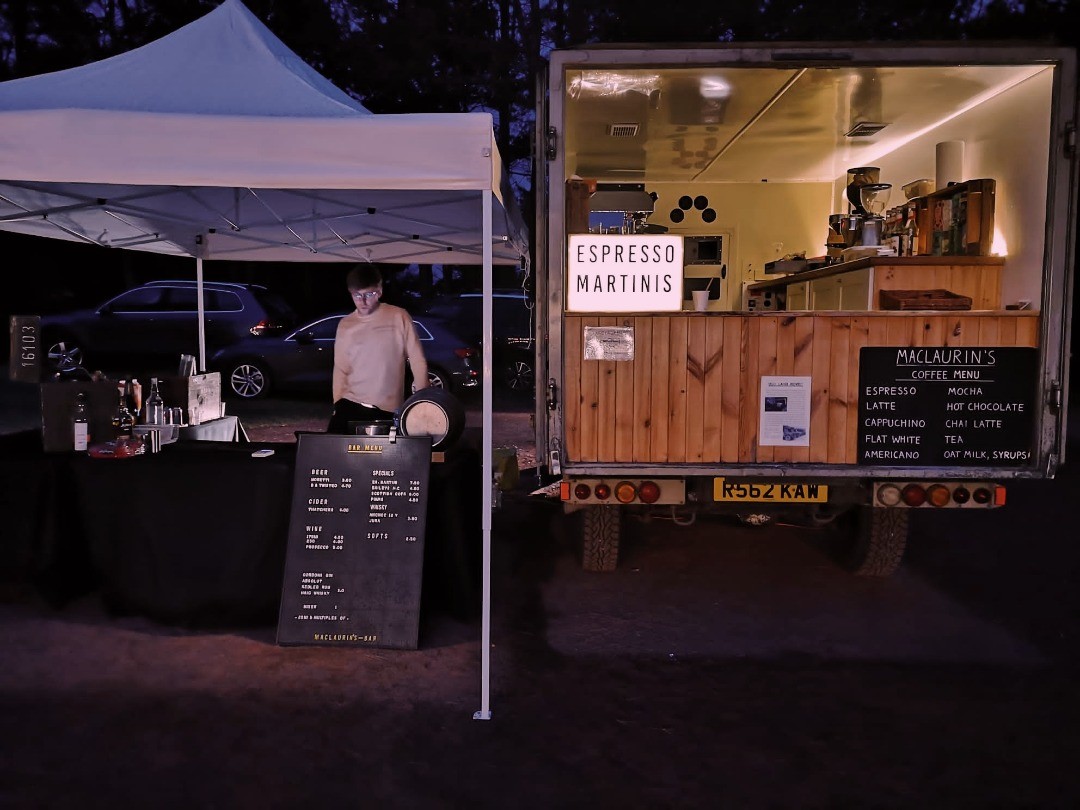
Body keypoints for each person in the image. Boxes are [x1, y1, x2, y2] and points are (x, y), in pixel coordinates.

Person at [327, 264, 428, 434]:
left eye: (369, 294)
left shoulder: (398, 316)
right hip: (350, 403)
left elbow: (418, 360)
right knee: (330, 453)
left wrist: (423, 402)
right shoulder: (345, 325)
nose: (363, 301)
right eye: (357, 295)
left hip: (387, 409)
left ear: (379, 291)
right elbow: (341, 369)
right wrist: (337, 403)